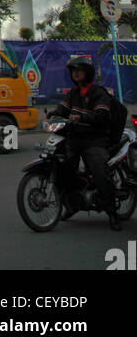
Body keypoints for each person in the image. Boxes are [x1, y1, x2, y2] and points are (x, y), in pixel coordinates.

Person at [54, 54, 120, 230]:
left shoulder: (98, 92)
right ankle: (72, 204)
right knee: (62, 169)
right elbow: (63, 109)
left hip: (94, 140)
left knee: (100, 173)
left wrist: (82, 116)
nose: (76, 74)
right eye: (73, 71)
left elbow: (102, 116)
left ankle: (112, 212)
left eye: (79, 70)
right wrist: (53, 114)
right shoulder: (73, 93)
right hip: (74, 138)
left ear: (87, 72)